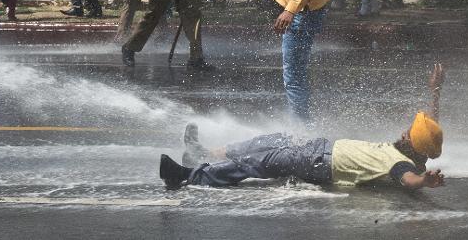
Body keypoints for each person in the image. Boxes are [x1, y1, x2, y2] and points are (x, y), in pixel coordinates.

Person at [160, 65, 447, 191]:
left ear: (412, 145)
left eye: (408, 134)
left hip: (320, 163)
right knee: (263, 143)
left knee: (259, 162)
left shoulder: (398, 163)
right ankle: (204, 153)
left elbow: (408, 179)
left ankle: (189, 176)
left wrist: (424, 182)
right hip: (319, 147)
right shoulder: (416, 148)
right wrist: (436, 91)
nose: (402, 132)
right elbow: (430, 133)